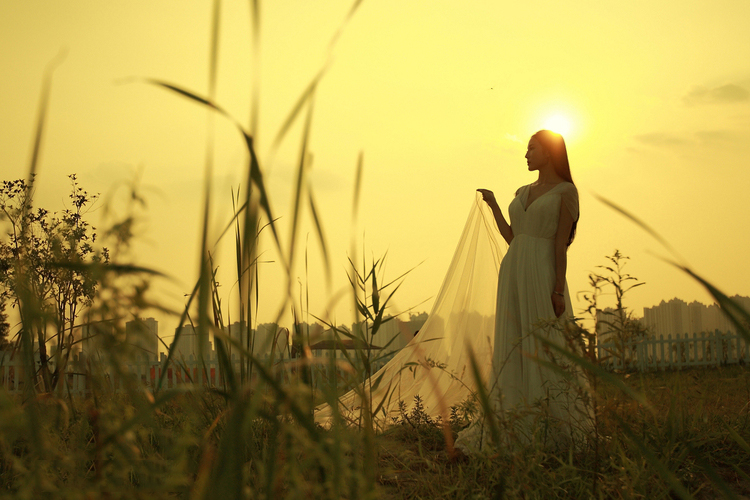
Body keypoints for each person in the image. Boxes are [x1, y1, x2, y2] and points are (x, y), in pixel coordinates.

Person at [454, 129, 587, 453]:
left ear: (549, 153)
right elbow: (514, 238)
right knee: (514, 341)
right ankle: (514, 420)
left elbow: (560, 244)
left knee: (545, 342)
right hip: (513, 270)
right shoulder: (521, 190)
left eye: (532, 148)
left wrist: (557, 289)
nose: (526, 154)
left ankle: (554, 426)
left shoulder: (566, 192)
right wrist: (495, 204)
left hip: (543, 272)